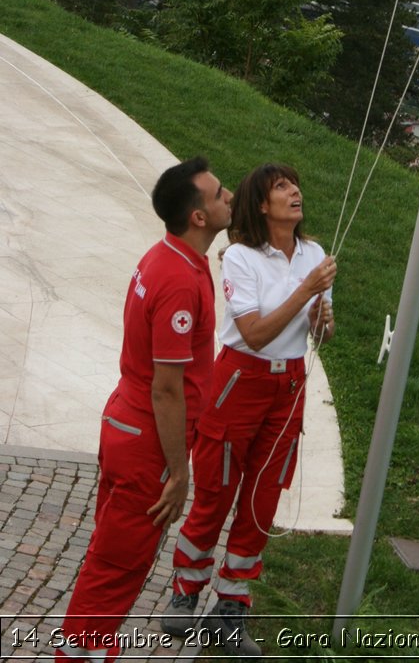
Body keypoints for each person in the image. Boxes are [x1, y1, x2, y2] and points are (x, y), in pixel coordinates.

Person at [55, 157, 233, 662]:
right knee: (115, 572)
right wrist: (180, 472)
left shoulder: (166, 258)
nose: (229, 198)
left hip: (124, 425)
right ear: (197, 217)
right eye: (219, 194)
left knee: (108, 559)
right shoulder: (179, 280)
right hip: (147, 443)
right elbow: (167, 390)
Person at [161, 163, 336, 658]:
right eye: (281, 187)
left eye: (294, 184)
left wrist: (322, 320)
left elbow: (323, 335)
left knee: (263, 497)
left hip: (290, 385)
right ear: (262, 205)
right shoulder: (240, 257)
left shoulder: (315, 254)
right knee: (216, 488)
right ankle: (186, 590)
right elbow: (255, 333)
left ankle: (231, 607)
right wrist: (306, 293)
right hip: (239, 379)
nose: (294, 191)